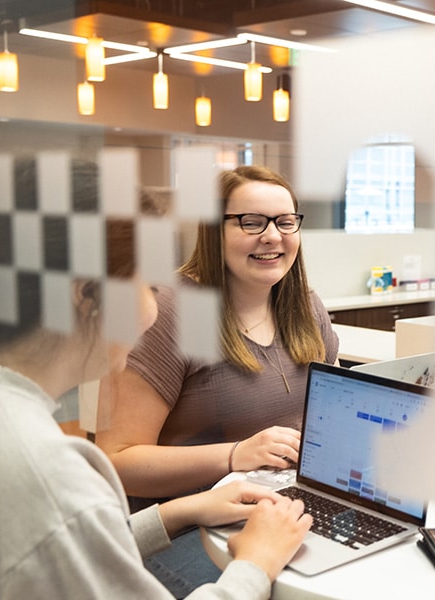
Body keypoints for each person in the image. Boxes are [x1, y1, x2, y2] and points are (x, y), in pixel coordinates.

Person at [0, 178, 313, 598]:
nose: (152, 311)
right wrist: (255, 563)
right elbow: (80, 522)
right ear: (88, 296)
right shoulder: (52, 472)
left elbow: (91, 534)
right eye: (147, 287)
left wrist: (183, 510)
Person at [96, 165, 339, 595]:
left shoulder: (306, 306)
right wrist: (235, 455)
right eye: (251, 221)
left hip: (278, 507)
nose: (272, 236)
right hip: (182, 526)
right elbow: (116, 462)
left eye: (285, 222)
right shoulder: (165, 311)